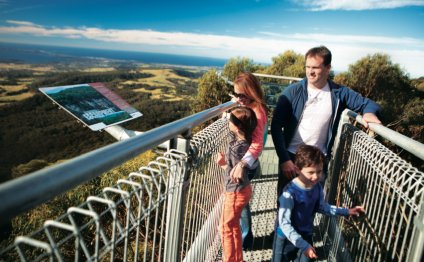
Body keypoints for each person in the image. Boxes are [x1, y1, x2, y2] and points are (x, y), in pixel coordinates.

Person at [271, 45, 381, 197]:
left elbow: (369, 104)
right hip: (291, 158)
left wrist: (368, 113)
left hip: (318, 161)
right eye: (307, 67)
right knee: (284, 206)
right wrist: (284, 159)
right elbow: (276, 125)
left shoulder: (339, 93)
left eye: (315, 67)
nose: (310, 72)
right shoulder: (293, 91)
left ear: (328, 67)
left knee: (310, 208)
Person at [271, 145, 365, 261]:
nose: (316, 177)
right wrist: (304, 245)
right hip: (285, 238)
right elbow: (284, 223)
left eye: (319, 171)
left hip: (306, 235)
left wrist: (347, 211)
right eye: (310, 172)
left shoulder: (317, 188)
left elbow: (322, 207)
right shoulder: (289, 193)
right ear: (297, 169)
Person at [230, 72, 269, 250]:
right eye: (235, 95)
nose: (238, 99)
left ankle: (245, 241)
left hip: (246, 166)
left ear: (251, 92)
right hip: (244, 164)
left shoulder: (257, 113)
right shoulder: (251, 107)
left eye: (241, 95)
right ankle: (245, 239)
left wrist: (242, 164)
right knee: (242, 203)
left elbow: (257, 144)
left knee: (241, 204)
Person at [215, 107, 258, 262]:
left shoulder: (238, 148)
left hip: (235, 192)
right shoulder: (246, 143)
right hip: (242, 190)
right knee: (233, 227)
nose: (228, 121)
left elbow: (234, 175)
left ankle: (230, 259)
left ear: (238, 127)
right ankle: (237, 258)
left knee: (226, 228)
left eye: (230, 120)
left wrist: (222, 164)